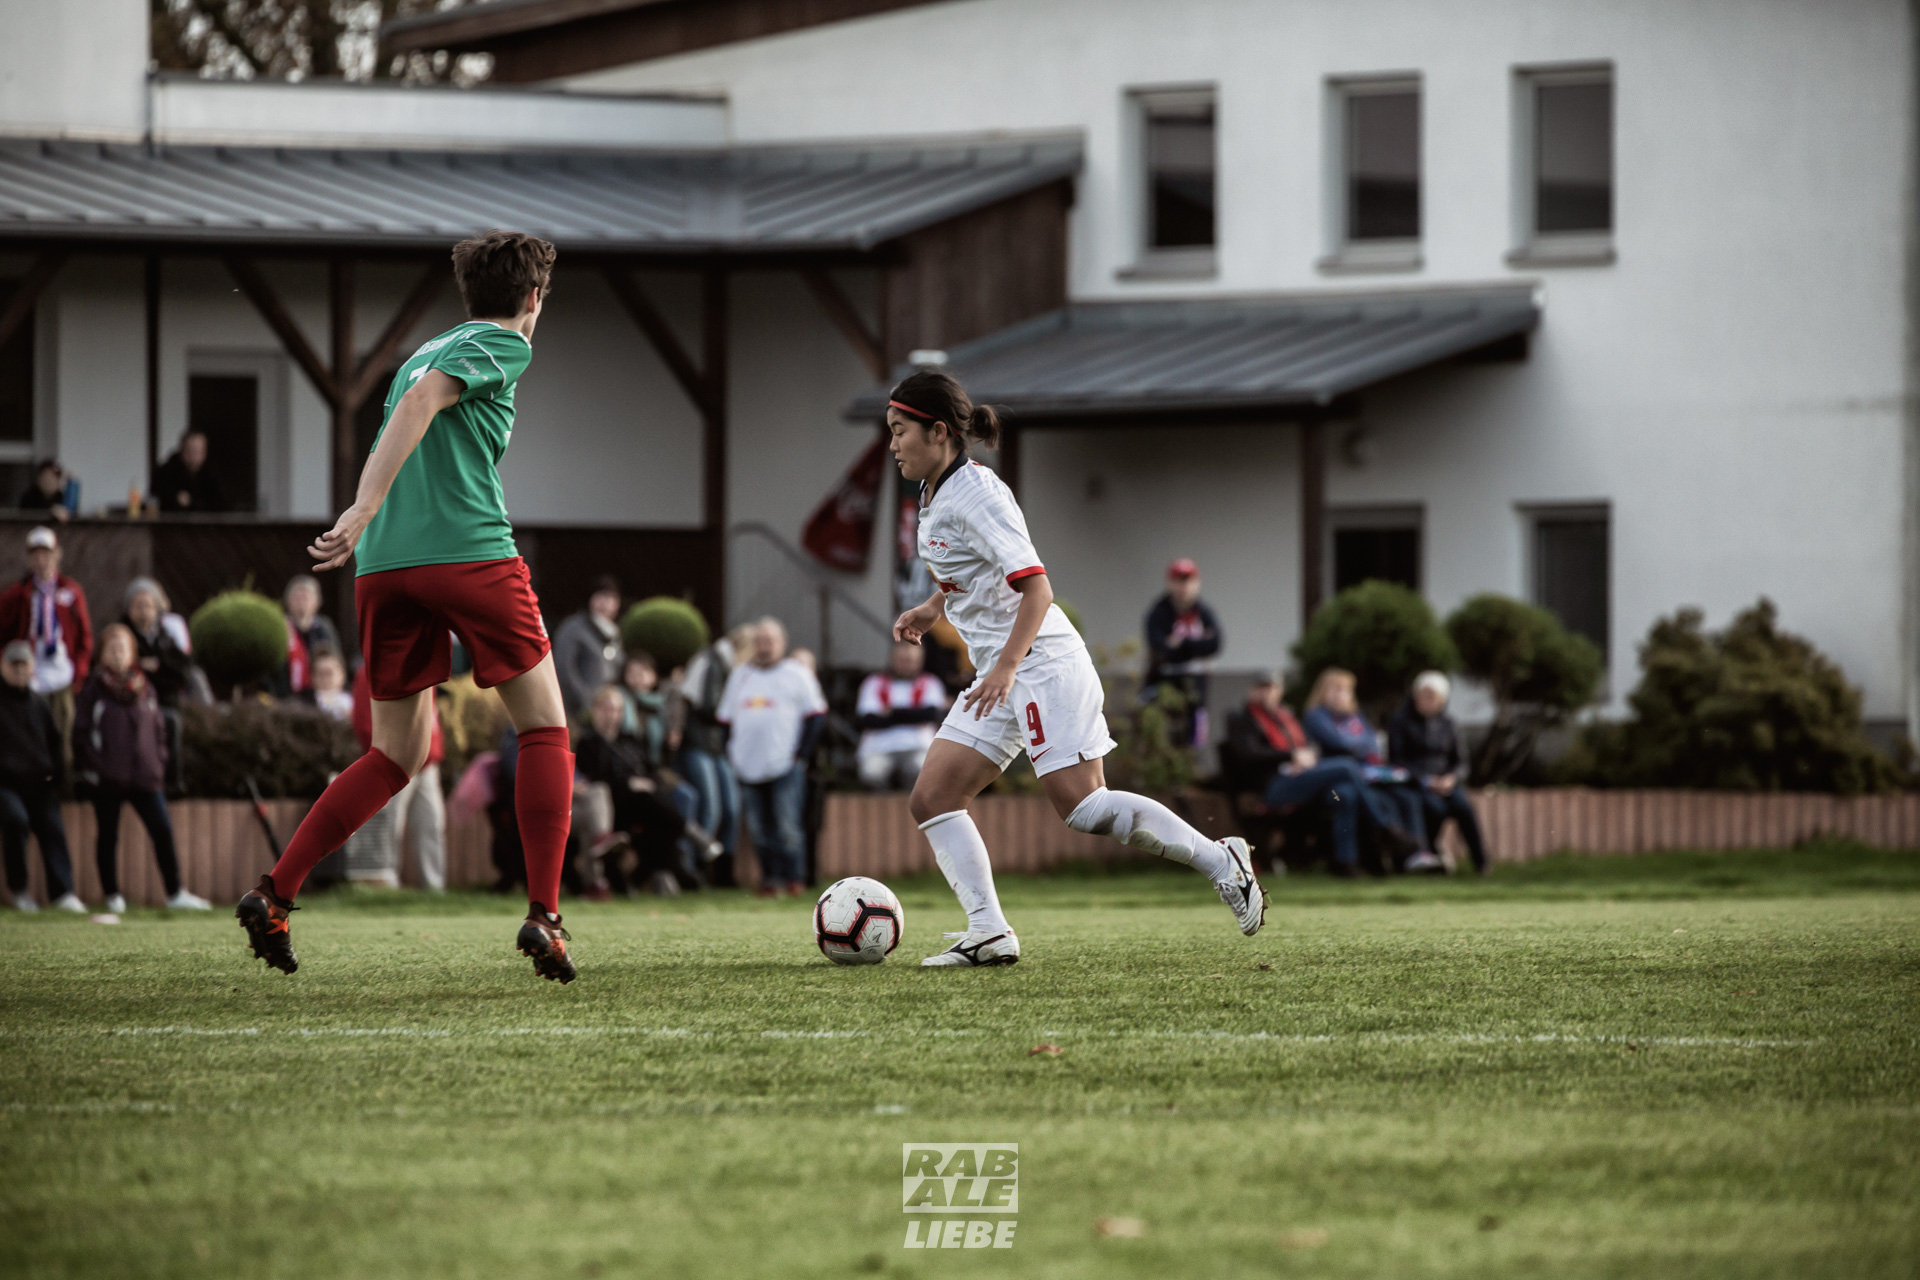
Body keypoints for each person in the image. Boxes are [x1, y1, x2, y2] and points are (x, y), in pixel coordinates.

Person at [234, 230, 580, 982]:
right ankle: (545, 917)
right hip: (469, 555)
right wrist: (359, 508)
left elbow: (409, 410)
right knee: (547, 729)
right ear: (533, 298)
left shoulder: (423, 349)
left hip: (386, 568)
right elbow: (426, 404)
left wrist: (370, 524)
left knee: (396, 754)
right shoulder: (506, 343)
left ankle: (276, 894)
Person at [887, 368, 1264, 965]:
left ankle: (1224, 859)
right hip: (1001, 669)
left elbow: (1036, 590)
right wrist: (937, 605)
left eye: (900, 430)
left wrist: (1008, 667)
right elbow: (974, 572)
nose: (893, 444)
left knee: (1084, 808)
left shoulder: (977, 494)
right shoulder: (935, 491)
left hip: (1038, 662)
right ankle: (988, 931)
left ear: (937, 432)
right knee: (933, 797)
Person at [1223, 671, 1421, 876]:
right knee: (1345, 766)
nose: (1266, 693)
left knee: (1345, 794)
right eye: (1261, 688)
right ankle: (1385, 829)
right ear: (1251, 691)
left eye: (1271, 687)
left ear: (1279, 691)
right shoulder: (1242, 718)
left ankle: (1346, 863)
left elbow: (1308, 746)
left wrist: (1305, 758)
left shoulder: (1285, 716)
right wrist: (1290, 756)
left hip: (1300, 778)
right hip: (1272, 786)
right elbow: (1248, 753)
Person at [74, 624, 210, 912]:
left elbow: (159, 727)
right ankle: (112, 896)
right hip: (108, 778)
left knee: (162, 829)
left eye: (123, 648)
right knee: (108, 836)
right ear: (103, 655)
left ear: (132, 653)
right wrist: (95, 766)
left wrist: (158, 761)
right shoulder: (93, 688)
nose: (118, 653)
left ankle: (175, 894)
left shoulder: (145, 686)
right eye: (112, 648)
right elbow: (81, 732)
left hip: (145, 777)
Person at [718, 618, 825, 897]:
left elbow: (816, 716)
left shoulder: (797, 674)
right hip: (746, 767)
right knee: (758, 829)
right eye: (760, 641)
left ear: (782, 643)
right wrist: (731, 754)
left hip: (784, 765)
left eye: (770, 641)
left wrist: (800, 755)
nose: (764, 647)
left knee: (787, 826)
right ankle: (770, 879)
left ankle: (794, 879)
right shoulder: (740, 675)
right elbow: (725, 720)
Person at [576, 684, 715, 895]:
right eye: (606, 708)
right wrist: (629, 783)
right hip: (611, 804)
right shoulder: (587, 743)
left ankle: (654, 876)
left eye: (616, 709)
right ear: (594, 710)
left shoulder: (630, 740)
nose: (611, 714)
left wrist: (645, 783)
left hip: (643, 804)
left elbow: (652, 771)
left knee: (658, 814)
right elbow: (594, 780)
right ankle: (688, 840)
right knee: (652, 806)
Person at [1302, 667, 1440, 872]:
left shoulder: (1354, 717)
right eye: (1334, 689)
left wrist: (1359, 745)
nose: (1340, 695)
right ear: (1322, 691)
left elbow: (1373, 745)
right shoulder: (1316, 716)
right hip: (1328, 787)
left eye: (1345, 690)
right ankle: (1349, 860)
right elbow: (1342, 743)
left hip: (1364, 781)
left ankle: (1415, 854)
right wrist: (1359, 745)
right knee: (1346, 796)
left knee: (1405, 797)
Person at [340, 664, 446, 890]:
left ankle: (434, 887)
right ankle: (387, 885)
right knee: (389, 826)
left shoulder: (426, 668)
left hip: (427, 763)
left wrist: (433, 750)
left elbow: (431, 716)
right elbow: (364, 722)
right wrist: (385, 754)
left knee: (432, 824)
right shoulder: (369, 671)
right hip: (395, 762)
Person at [0, 640, 82, 912]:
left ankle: (62, 893)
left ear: (33, 667)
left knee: (53, 828)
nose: (20, 670)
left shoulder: (40, 705)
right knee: (15, 820)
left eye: (24, 665)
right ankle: (20, 890)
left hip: (40, 785)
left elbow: (56, 744)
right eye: (14, 665)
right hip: (6, 785)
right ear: (3, 667)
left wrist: (59, 780)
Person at [0, 526, 93, 766]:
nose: (41, 561)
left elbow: (85, 638)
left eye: (46, 554)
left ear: (57, 555)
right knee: (28, 736)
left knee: (62, 738)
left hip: (62, 673)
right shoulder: (18, 593)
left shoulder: (70, 591)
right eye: (36, 555)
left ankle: (63, 791)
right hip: (29, 673)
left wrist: (78, 673)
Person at [1389, 670, 1490, 875]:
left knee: (1464, 808)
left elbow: (1461, 762)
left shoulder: (1449, 724)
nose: (1429, 701)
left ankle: (1481, 863)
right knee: (1435, 808)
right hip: (1417, 784)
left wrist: (1451, 778)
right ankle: (1429, 854)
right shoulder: (1401, 722)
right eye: (1425, 695)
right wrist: (1426, 780)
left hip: (1446, 783)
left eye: (1433, 697)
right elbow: (1397, 760)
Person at [677, 625, 742, 878]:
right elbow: (708, 705)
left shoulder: (725, 665)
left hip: (716, 747)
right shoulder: (712, 661)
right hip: (699, 744)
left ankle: (723, 870)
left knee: (731, 808)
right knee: (710, 808)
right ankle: (694, 868)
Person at [123, 578, 196, 793]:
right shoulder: (123, 634)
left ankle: (172, 783)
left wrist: (156, 667)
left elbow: (182, 671)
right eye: (138, 605)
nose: (144, 611)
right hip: (131, 703)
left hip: (164, 702)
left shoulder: (165, 637)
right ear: (129, 609)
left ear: (157, 609)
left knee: (171, 722)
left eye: (148, 605)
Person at [1143, 558, 1223, 747]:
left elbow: (1215, 643)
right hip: (1165, 683)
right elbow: (1160, 647)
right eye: (1178, 580)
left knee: (1196, 735)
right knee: (1162, 736)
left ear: (1197, 583)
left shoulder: (1204, 612)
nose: (1183, 586)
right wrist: (1196, 645)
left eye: (1188, 580)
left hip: (1197, 684)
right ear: (1170, 582)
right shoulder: (1159, 613)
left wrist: (1182, 644)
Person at [855, 640, 950, 790]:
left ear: (920, 661)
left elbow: (932, 714)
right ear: (891, 658)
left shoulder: (930, 683)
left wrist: (892, 713)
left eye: (911, 660)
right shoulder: (873, 682)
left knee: (922, 770)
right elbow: (868, 720)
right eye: (902, 659)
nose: (906, 664)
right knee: (871, 772)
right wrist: (913, 715)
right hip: (880, 747)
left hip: (918, 745)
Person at [554, 576, 623, 722]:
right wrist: (587, 701)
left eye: (611, 599)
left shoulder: (615, 634)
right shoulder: (574, 628)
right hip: (576, 712)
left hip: (607, 716)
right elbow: (564, 668)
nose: (605, 604)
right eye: (600, 597)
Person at [274, 574, 343, 698]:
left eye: (306, 597)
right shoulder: (281, 628)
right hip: (287, 694)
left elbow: (334, 659)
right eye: (297, 597)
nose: (301, 602)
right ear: (288, 602)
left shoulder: (324, 627)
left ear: (317, 602)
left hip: (320, 694)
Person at [153, 430, 228, 514]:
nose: (194, 456)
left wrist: (193, 502)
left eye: (198, 451)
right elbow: (155, 497)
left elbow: (223, 502)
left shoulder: (214, 472)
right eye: (190, 450)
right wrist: (175, 498)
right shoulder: (166, 471)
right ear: (182, 449)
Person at [309, 649, 353, 721]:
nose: (325, 679)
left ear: (342, 675)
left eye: (329, 673)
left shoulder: (352, 702)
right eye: (320, 674)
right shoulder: (304, 703)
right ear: (312, 677)